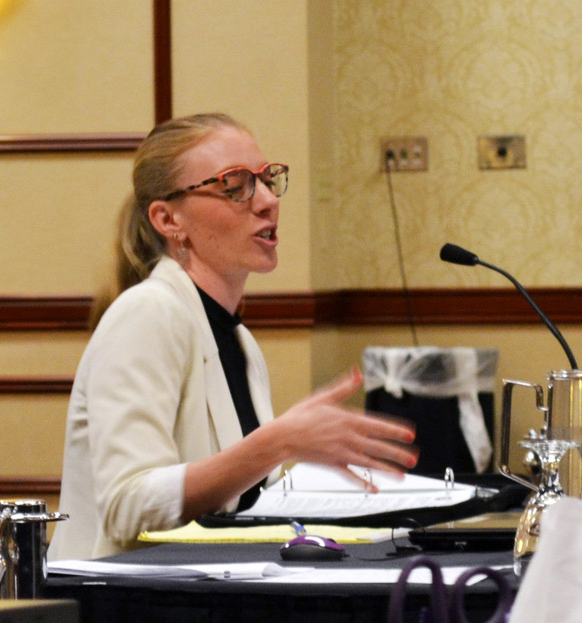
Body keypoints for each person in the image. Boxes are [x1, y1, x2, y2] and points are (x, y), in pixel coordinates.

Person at [51, 113, 417, 560]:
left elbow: (237, 505)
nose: (266, 201)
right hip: (121, 607)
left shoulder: (237, 338)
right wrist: (277, 442)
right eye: (235, 186)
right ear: (168, 219)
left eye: (267, 179)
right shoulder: (146, 314)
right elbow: (129, 507)